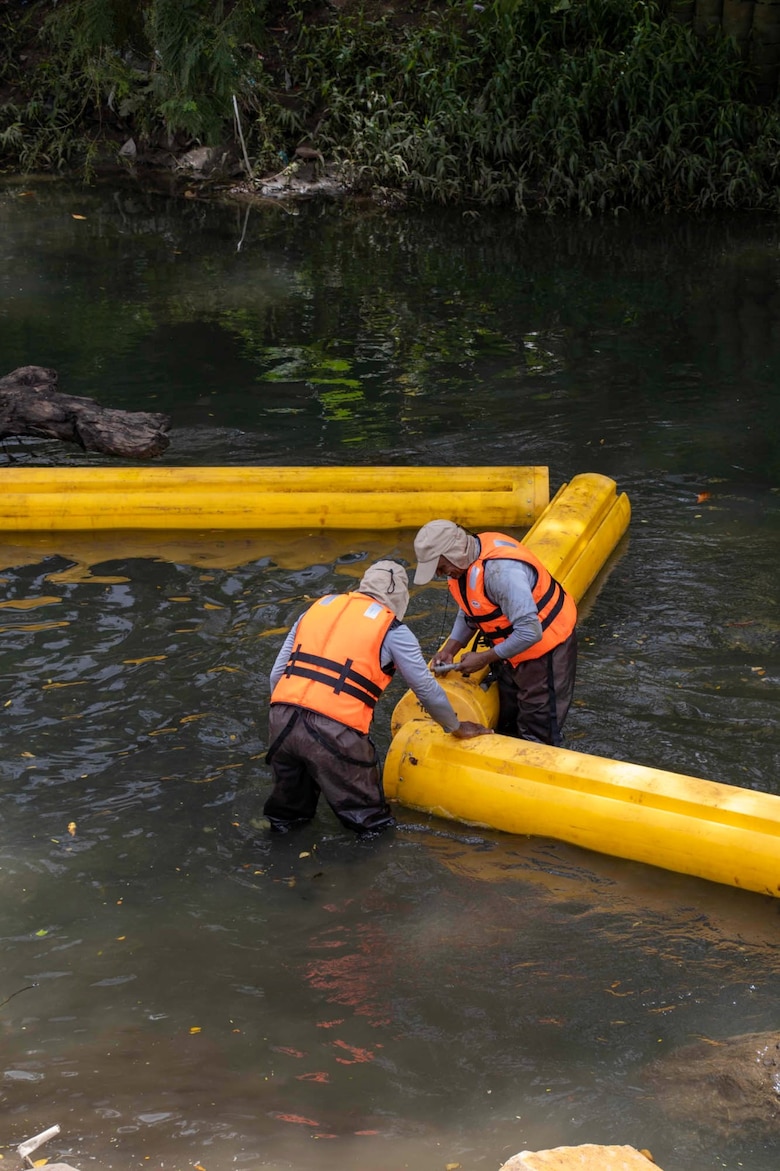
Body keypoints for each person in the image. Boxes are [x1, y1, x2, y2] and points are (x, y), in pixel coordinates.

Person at [264, 559, 489, 837]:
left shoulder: (315, 609)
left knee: (287, 817)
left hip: (281, 719)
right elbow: (426, 690)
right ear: (400, 597)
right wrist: (455, 726)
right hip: (334, 730)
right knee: (371, 825)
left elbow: (276, 675)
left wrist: (289, 716)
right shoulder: (393, 630)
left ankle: (278, 851)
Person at [413, 521, 577, 746]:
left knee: (538, 731)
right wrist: (451, 648)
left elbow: (530, 632)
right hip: (509, 650)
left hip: (544, 650)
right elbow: (471, 608)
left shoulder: (501, 573)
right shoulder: (465, 565)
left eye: (441, 567)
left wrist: (484, 658)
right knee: (507, 721)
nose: (441, 574)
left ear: (455, 553)